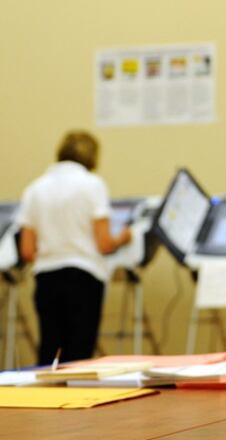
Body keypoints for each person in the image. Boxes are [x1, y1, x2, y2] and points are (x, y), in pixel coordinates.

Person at [18, 130, 132, 365]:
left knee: (50, 349)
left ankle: (44, 400)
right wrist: (125, 236)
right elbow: (104, 244)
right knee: (79, 352)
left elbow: (27, 251)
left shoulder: (35, 188)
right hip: (84, 277)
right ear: (92, 157)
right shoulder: (93, 185)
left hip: (46, 278)